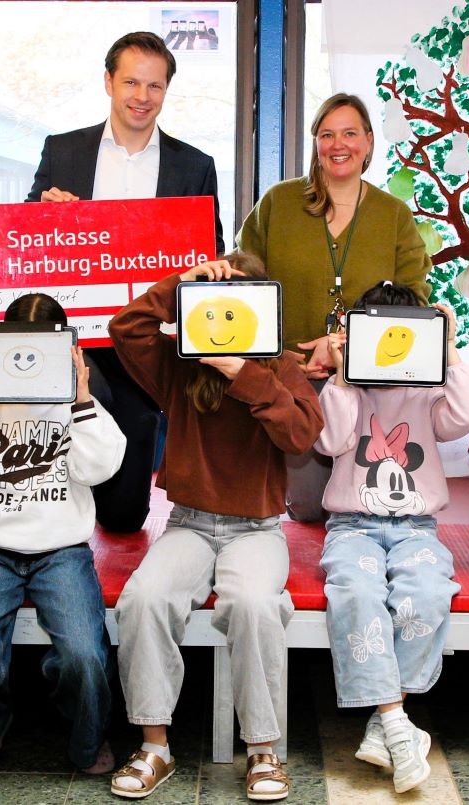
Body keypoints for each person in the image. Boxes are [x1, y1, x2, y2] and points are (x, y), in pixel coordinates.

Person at [106, 254, 322, 801]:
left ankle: (264, 751)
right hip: (190, 523)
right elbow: (126, 328)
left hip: (256, 529)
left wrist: (243, 374)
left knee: (253, 604)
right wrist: (183, 282)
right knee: (144, 598)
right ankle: (154, 745)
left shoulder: (280, 368)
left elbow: (301, 436)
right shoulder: (180, 365)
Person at [27, 30, 224, 534]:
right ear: (109, 82)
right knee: (87, 405)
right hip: (76, 336)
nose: (142, 96)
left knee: (122, 521)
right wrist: (43, 216)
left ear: (166, 91)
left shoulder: (194, 166)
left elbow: (209, 252)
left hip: (146, 340)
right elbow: (20, 237)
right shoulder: (64, 151)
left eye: (155, 86)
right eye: (131, 82)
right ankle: (62, 491)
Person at [0, 293, 126, 774]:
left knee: (84, 654)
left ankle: (87, 743)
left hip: (61, 551)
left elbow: (100, 467)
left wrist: (81, 398)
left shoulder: (77, 404)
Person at [314, 281, 469, 794]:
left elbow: (466, 417)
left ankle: (386, 721)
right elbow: (332, 440)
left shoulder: (429, 387)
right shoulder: (348, 387)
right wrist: (341, 377)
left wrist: (449, 350)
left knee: (427, 593)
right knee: (357, 593)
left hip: (416, 526)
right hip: (351, 525)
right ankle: (399, 725)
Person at [238, 92, 432, 522]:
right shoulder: (278, 203)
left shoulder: (394, 215)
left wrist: (346, 349)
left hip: (371, 388)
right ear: (315, 143)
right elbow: (242, 283)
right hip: (290, 379)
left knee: (366, 501)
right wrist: (280, 355)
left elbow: (415, 304)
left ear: (367, 142)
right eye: (327, 134)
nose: (338, 144)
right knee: (308, 509)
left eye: (349, 133)